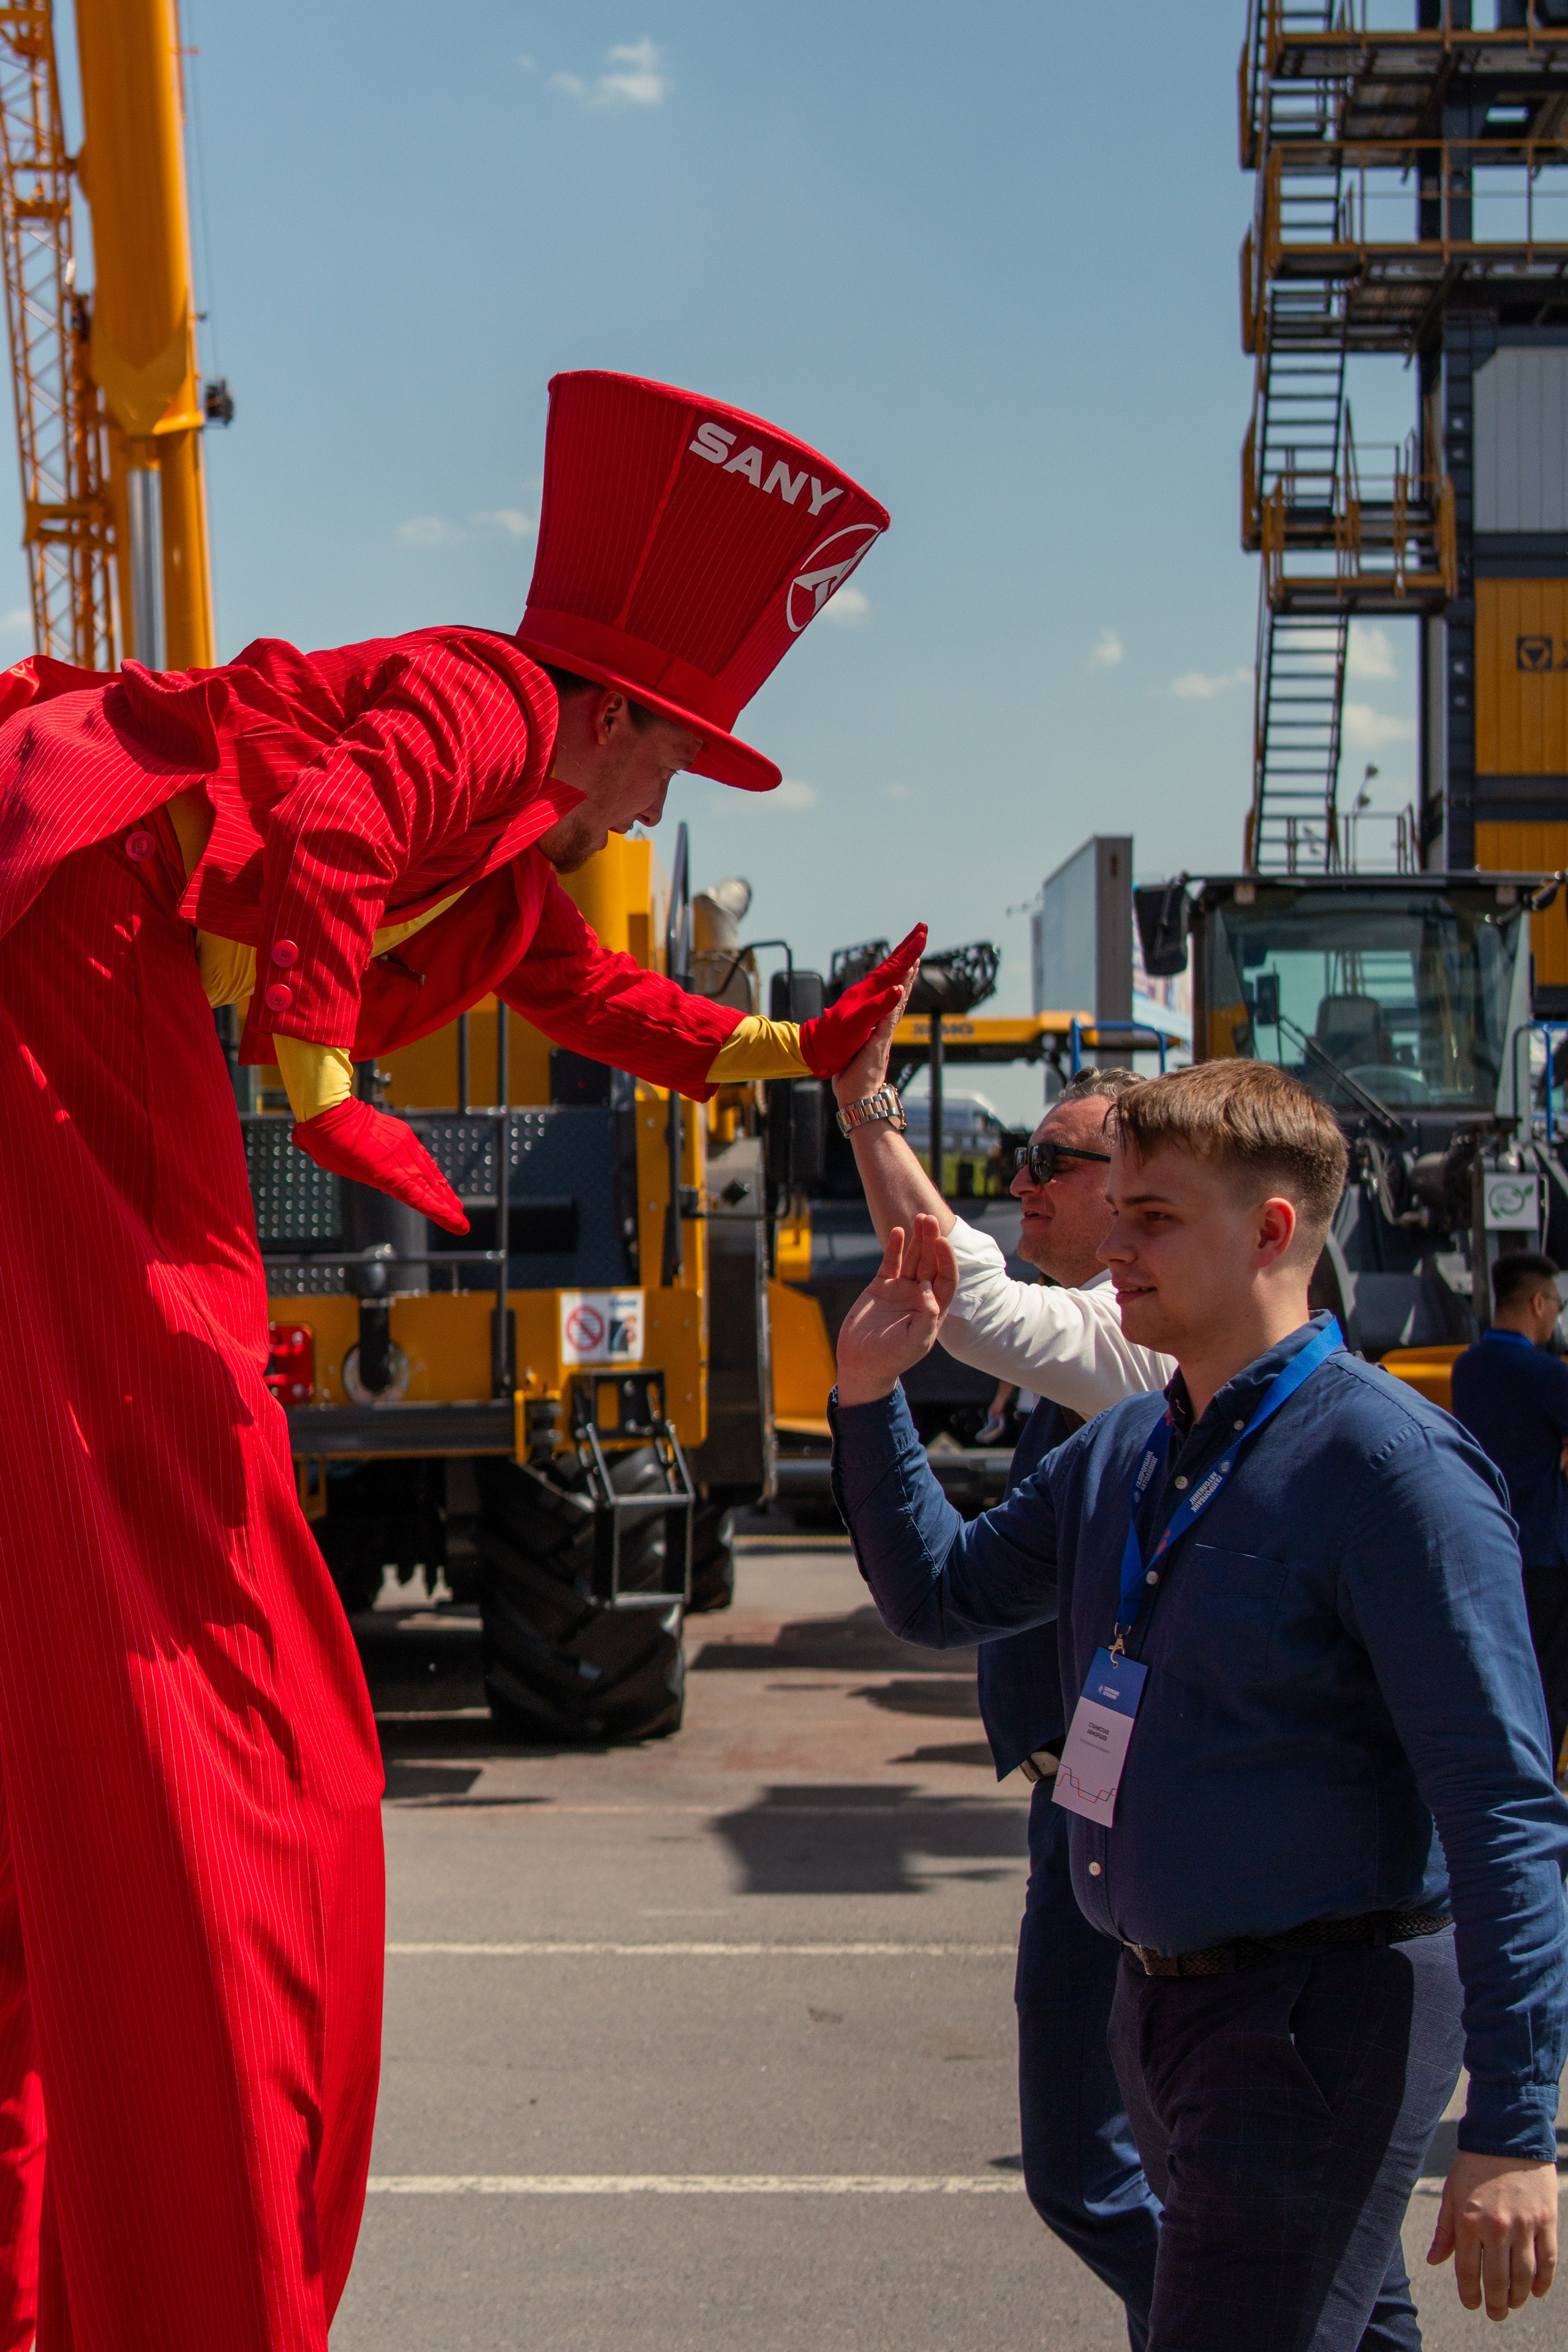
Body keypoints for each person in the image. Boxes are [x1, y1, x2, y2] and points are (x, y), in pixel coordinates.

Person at [0, 369, 922, 2352]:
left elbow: (619, 1008)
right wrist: (321, 1076)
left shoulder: (514, 871)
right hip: (77, 918)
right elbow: (331, 826)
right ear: (606, 707)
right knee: (171, 1449)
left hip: (81, 931)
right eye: (672, 749)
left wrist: (792, 1045)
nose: (663, 794)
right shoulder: (492, 708)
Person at [831, 1058, 1568, 2351]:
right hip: (1165, 2008)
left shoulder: (1388, 1469)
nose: (1111, 1244)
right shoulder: (1126, 1444)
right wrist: (866, 1398)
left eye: (1151, 1218)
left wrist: (1513, 2125)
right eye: (1113, 1208)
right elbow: (939, 1596)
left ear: (1271, 1231)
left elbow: (1499, 1805)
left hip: (1313, 2021)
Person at [832, 1035, 1169, 2345]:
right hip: (1078, 1810)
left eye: (1053, 1162)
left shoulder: (1139, 1361)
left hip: (1141, 1820)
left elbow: (958, 1286)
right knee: (1126, 2175)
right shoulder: (1118, 1364)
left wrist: (864, 1107)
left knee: (1122, 2179)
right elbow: (942, 1589)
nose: (1018, 1182)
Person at [1452, 1250, 1568, 1778]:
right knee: (1549, 1686)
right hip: (1546, 1553)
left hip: (1488, 1547)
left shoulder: (1467, 1368)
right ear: (1539, 1302)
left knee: (1498, 1674)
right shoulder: (1546, 1374)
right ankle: (1539, 1782)